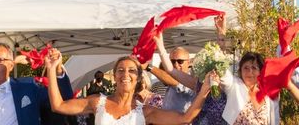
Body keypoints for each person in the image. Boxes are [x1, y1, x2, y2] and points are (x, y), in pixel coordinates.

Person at [45, 51, 213, 125]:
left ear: (138, 77)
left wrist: (205, 89)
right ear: (115, 75)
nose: (126, 74)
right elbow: (58, 105)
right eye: (120, 70)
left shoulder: (146, 112)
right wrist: (52, 69)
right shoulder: (97, 102)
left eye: (131, 70)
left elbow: (185, 118)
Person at [153, 16, 229, 125]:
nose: (210, 70)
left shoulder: (225, 84)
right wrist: (160, 46)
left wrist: (221, 32)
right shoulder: (197, 84)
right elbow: (170, 70)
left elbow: (220, 58)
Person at [218, 52, 279, 125]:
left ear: (261, 72)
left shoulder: (268, 96)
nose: (249, 71)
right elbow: (224, 74)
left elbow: (275, 121)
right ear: (241, 71)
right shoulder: (235, 85)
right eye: (246, 68)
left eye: (254, 68)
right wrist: (218, 54)